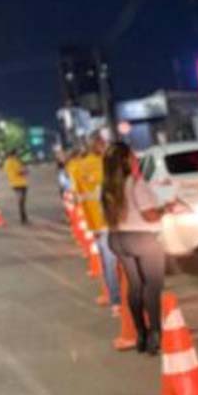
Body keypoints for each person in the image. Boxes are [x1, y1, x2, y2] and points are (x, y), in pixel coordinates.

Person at [100, 142, 177, 354]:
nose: (136, 160)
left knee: (135, 285)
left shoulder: (107, 187)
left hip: (118, 239)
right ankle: (155, 335)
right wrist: (166, 209)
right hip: (142, 238)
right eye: (133, 156)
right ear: (125, 160)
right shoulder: (136, 184)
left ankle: (140, 334)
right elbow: (149, 215)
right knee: (152, 286)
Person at [70, 132, 122, 315]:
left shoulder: (79, 167)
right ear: (97, 144)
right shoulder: (100, 165)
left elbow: (79, 197)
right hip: (109, 221)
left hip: (103, 222)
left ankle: (117, 300)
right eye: (103, 143)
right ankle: (118, 301)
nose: (105, 145)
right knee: (114, 262)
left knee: (111, 262)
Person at [2, 150, 29, 224]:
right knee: (21, 201)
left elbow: (6, 171)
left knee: (21, 201)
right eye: (17, 154)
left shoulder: (7, 162)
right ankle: (23, 218)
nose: (18, 155)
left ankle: (23, 218)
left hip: (16, 183)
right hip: (19, 183)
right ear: (13, 154)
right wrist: (25, 170)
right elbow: (20, 171)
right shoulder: (13, 162)